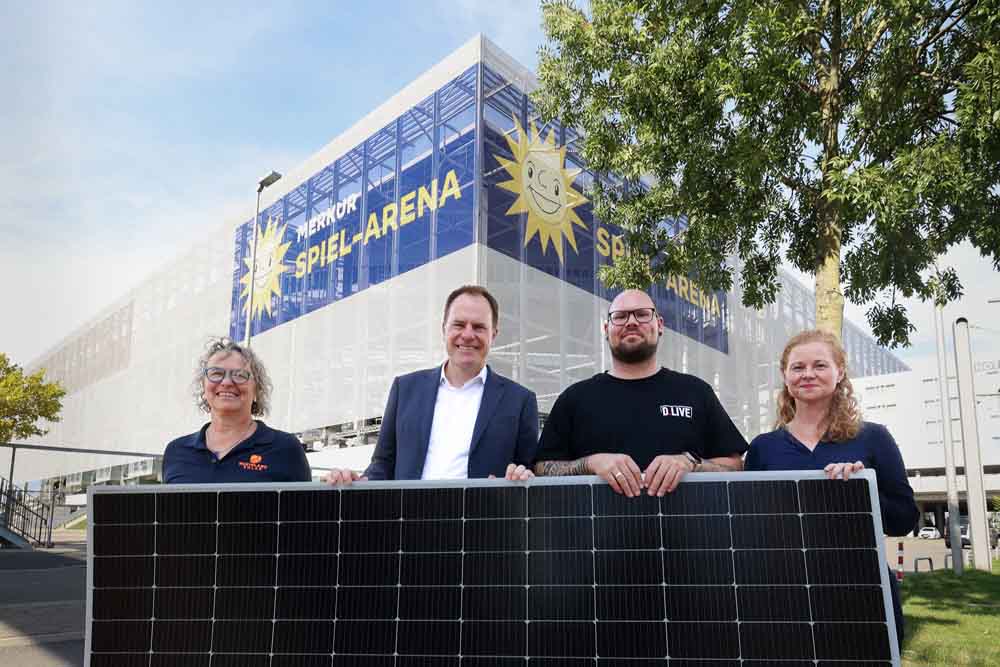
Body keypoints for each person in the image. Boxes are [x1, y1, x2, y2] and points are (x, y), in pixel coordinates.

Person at [744, 329, 918, 650]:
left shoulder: (874, 438)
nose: (808, 374)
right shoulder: (762, 449)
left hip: (862, 595)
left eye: (820, 365)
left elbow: (904, 520)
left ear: (840, 373)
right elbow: (749, 530)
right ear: (785, 376)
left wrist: (862, 490)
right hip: (784, 599)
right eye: (798, 367)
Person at [533, 289, 747, 496]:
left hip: (686, 530)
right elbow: (542, 468)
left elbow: (735, 466)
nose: (632, 322)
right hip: (597, 531)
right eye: (620, 316)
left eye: (643, 315)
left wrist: (690, 463)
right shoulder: (575, 398)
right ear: (606, 329)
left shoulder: (697, 392)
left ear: (660, 325)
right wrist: (592, 462)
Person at [325, 285, 538, 484]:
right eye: (459, 324)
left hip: (481, 518)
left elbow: (527, 470)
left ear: (493, 334)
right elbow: (383, 464)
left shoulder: (520, 401)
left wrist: (520, 478)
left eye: (479, 327)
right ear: (444, 329)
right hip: (410, 518)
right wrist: (358, 482)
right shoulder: (405, 389)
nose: (468, 334)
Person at [163, 338, 311, 483]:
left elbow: (308, 506)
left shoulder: (285, 449)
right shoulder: (176, 452)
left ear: (257, 390)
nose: (226, 382)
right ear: (204, 386)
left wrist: (332, 489)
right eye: (216, 374)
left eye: (240, 375)